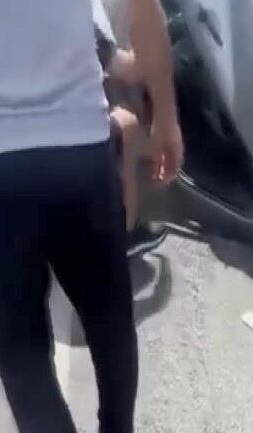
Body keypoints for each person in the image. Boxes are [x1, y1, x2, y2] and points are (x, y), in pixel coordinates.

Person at [0, 0, 183, 433]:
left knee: (19, 349)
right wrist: (166, 118)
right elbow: (144, 10)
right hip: (81, 149)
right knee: (110, 317)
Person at [94, 1, 170, 257]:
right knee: (128, 125)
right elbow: (131, 69)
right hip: (52, 134)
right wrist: (156, 47)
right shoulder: (80, 18)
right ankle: (127, 232)